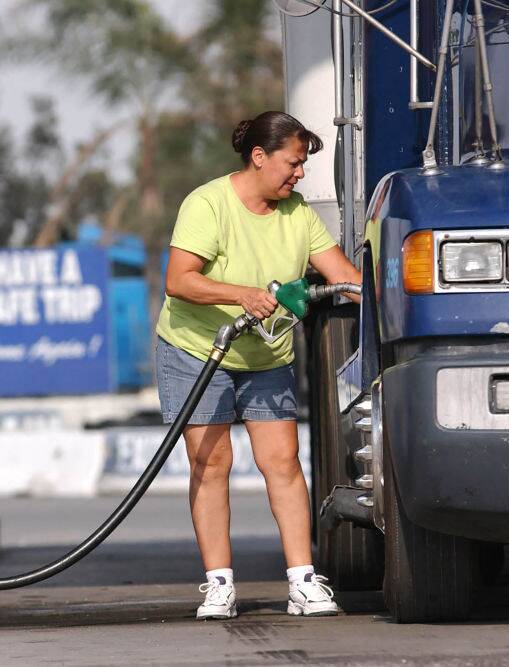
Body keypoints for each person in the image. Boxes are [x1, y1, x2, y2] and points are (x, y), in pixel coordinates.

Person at [156, 111, 362, 620]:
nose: (299, 174)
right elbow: (179, 280)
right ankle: (219, 583)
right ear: (259, 157)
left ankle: (303, 581)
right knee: (211, 465)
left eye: (302, 165)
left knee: (283, 463)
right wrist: (242, 295)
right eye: (293, 164)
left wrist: (393, 295)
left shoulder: (298, 215)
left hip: (267, 354)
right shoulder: (208, 204)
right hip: (196, 350)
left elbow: (345, 277)